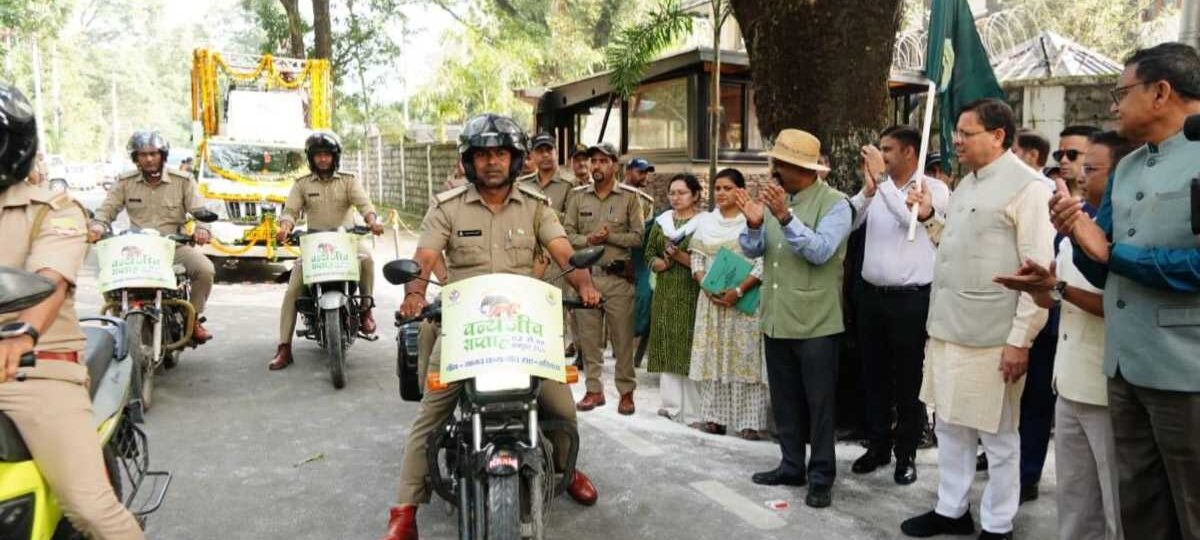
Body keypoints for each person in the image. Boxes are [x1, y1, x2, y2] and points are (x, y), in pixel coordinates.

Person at [381, 114, 602, 540]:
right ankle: (405, 510)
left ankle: (563, 468)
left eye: (500, 153)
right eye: (483, 154)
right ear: (469, 160)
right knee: (431, 415)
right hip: (465, 329)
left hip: (524, 329)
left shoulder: (537, 205)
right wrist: (413, 295)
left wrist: (586, 286)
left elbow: (563, 252)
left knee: (562, 407)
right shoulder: (446, 206)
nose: (492, 162)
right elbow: (425, 257)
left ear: (515, 159)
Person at [1050, 42, 1200, 539]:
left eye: (1122, 93)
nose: (1114, 106)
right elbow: (1103, 267)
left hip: (1186, 370)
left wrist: (1113, 253)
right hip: (1125, 364)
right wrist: (1077, 233)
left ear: (1161, 92)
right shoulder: (1130, 166)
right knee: (1140, 510)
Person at [900, 98, 1054, 540]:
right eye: (956, 135)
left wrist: (1020, 340)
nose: (957, 142)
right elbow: (955, 243)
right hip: (949, 327)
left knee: (999, 435)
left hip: (992, 334)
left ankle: (999, 523)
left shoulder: (1030, 188)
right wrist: (930, 216)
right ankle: (951, 509)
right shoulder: (967, 184)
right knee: (949, 422)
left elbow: (1036, 271)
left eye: (966, 134)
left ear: (998, 135)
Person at [0, 82, 145, 539]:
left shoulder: (53, 210)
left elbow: (51, 279)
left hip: (31, 370)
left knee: (92, 509)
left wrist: (22, 332)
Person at [995, 129, 1134, 540]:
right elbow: (1054, 300)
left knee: (1118, 504)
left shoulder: (1126, 233)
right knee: (1075, 500)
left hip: (1107, 385)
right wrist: (1040, 288)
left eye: (1090, 167)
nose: (1079, 175)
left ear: (1122, 173)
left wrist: (1057, 290)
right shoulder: (1076, 225)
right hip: (1068, 381)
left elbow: (1118, 306)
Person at [735, 129, 853, 509]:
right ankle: (790, 465)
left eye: (779, 163)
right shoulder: (772, 200)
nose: (773, 169)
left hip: (817, 321)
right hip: (776, 316)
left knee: (819, 405)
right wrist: (754, 224)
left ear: (801, 169)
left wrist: (784, 216)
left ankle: (820, 476)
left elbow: (820, 251)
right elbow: (755, 250)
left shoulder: (837, 204)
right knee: (784, 399)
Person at [848, 125, 949, 485]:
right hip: (871, 296)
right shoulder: (881, 189)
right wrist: (868, 189)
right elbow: (852, 223)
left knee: (909, 379)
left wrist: (883, 183)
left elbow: (909, 218)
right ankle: (878, 445)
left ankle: (906, 452)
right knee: (872, 374)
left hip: (911, 299)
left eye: (887, 149)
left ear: (909, 152)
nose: (881, 154)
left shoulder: (933, 189)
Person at [267, 131, 383, 370]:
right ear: (311, 158)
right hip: (314, 244)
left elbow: (365, 205)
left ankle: (365, 311)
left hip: (347, 240)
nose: (322, 159)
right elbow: (290, 211)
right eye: (318, 155)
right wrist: (285, 227)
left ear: (335, 157)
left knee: (368, 260)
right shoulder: (302, 185)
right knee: (293, 289)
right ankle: (284, 347)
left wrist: (373, 220)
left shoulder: (349, 181)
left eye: (326, 155)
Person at [90, 130, 215, 343]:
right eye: (143, 154)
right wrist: (98, 226)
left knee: (205, 269)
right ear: (136, 158)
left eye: (154, 154)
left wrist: (202, 228)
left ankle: (192, 319)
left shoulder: (182, 181)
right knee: (105, 271)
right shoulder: (125, 182)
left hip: (173, 247)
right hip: (137, 249)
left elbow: (199, 210)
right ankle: (118, 317)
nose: (149, 159)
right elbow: (106, 210)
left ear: (163, 155)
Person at [688, 168, 770, 440]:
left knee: (745, 358)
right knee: (714, 355)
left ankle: (749, 423)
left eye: (727, 188)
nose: (721, 193)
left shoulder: (753, 220)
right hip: (712, 301)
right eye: (718, 188)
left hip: (743, 300)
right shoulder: (706, 223)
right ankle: (713, 418)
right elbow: (697, 260)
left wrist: (738, 289)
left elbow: (761, 263)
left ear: (740, 190)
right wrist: (707, 287)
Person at [564, 142, 645, 415]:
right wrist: (588, 239)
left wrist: (609, 237)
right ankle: (594, 391)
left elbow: (638, 236)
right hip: (586, 276)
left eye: (602, 161)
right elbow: (566, 235)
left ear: (614, 165)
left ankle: (626, 393)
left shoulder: (630, 198)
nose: (596, 166)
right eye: (593, 162)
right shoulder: (577, 197)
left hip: (618, 278)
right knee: (588, 339)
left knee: (622, 339)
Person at [646, 174, 703, 426]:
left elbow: (706, 260)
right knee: (667, 342)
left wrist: (678, 257)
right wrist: (660, 263)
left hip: (693, 291)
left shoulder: (703, 224)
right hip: (666, 291)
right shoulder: (662, 222)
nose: (675, 198)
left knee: (690, 345)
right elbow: (648, 253)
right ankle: (671, 406)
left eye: (682, 193)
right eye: (672, 193)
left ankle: (693, 411)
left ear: (696, 195)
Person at [624, 158, 656, 368]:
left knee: (644, 297)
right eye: (640, 172)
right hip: (616, 254)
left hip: (639, 257)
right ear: (628, 171)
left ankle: (635, 351)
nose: (644, 176)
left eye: (646, 173)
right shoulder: (616, 194)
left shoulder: (647, 201)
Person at [1053, 125, 1101, 196]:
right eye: (1059, 154)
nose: (1063, 160)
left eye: (1072, 154)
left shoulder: (1110, 198)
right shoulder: (1048, 195)